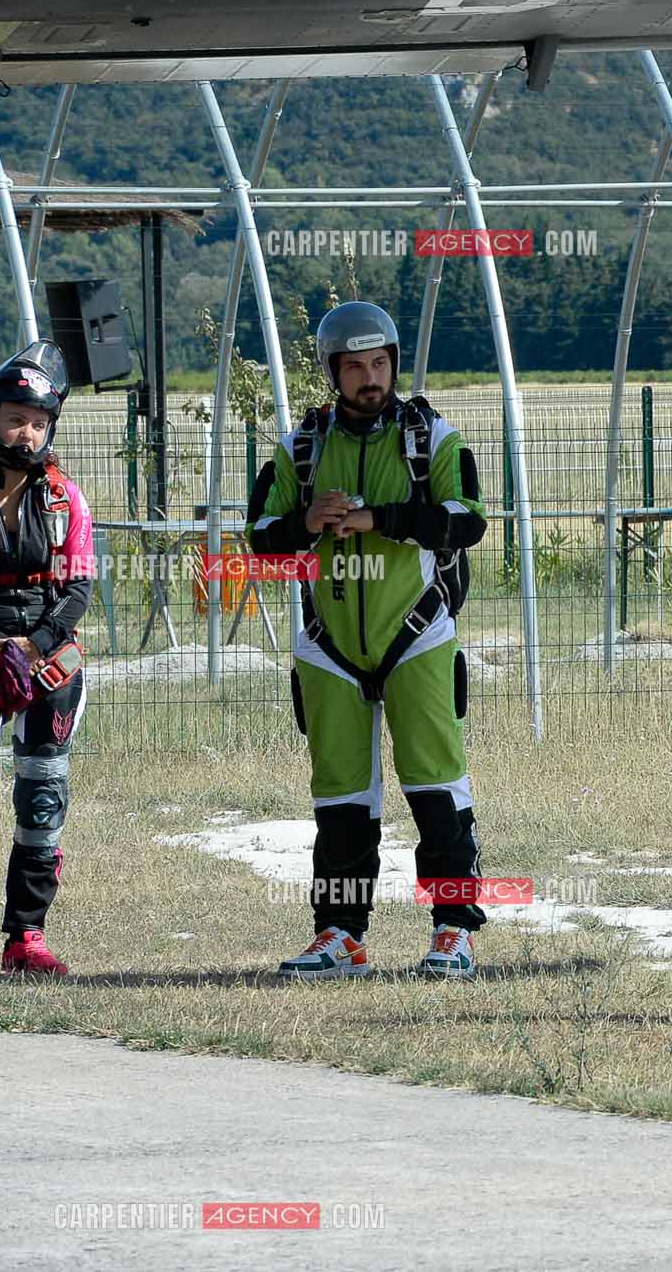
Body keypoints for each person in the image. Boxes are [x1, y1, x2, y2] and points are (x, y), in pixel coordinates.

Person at [247, 302, 488, 980]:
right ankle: (340, 935)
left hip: (416, 633)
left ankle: (452, 930)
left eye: (379, 363)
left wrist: (379, 516)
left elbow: (468, 519)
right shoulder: (300, 447)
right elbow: (260, 535)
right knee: (340, 796)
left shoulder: (432, 436)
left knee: (437, 785)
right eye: (354, 367)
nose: (370, 378)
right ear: (332, 373)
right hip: (328, 646)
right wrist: (306, 520)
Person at [0, 342, 93, 977]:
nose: (25, 433)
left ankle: (26, 937)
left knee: (43, 798)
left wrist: (32, 647)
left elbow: (77, 587)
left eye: (37, 422)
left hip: (47, 660)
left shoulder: (64, 499)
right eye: (13, 418)